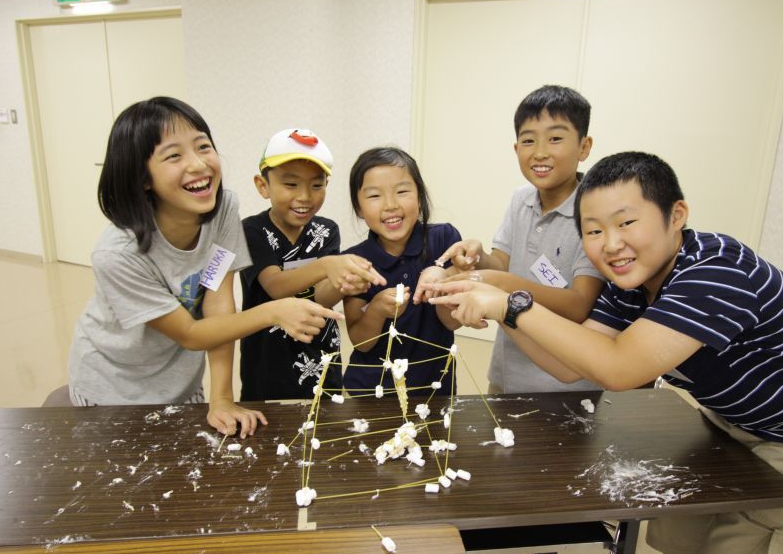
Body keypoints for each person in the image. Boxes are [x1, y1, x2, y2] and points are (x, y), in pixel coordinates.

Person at [431, 151, 783, 554]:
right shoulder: (630, 285)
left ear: (676, 214)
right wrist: (497, 310)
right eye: (594, 231)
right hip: (731, 421)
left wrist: (508, 303)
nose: (611, 244)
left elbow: (620, 368)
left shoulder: (716, 271)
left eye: (626, 223)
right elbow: (571, 363)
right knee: (679, 533)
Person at [68, 97, 340, 439]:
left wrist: (222, 398)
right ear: (141, 177)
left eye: (203, 147)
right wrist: (273, 312)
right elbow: (190, 333)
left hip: (181, 380)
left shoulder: (223, 210)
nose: (198, 165)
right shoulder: (118, 254)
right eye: (174, 155)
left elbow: (216, 301)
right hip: (112, 388)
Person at [427, 85, 604, 394]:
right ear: (515, 149)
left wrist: (501, 284)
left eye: (555, 138)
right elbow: (501, 264)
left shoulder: (596, 211)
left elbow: (578, 305)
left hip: (568, 384)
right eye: (528, 140)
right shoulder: (521, 199)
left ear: (584, 147)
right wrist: (478, 256)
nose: (540, 152)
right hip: (507, 373)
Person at [239, 128, 385, 401]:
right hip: (268, 360)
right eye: (291, 185)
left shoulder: (327, 230)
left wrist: (344, 283)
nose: (305, 196)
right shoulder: (252, 231)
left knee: (322, 427)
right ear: (263, 186)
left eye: (317, 185)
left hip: (320, 357)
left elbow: (322, 298)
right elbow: (275, 286)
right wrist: (327, 265)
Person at [342, 147, 462, 397]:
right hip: (370, 391)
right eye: (375, 196)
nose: (391, 205)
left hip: (433, 389)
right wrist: (375, 310)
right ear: (359, 208)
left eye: (402, 191)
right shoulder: (355, 261)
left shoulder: (444, 240)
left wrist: (442, 284)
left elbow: (453, 320)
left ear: (419, 197)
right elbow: (361, 342)